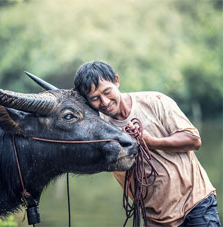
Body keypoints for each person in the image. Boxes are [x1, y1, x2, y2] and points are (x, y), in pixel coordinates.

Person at [74, 61, 220, 226]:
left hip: (195, 204)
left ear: (116, 81)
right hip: (155, 217)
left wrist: (152, 142)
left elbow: (193, 140)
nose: (105, 102)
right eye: (95, 98)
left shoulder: (156, 101)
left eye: (107, 92)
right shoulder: (99, 128)